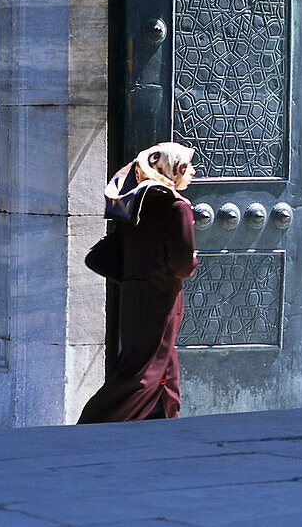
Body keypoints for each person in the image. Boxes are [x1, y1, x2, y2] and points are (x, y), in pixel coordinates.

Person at [78, 142, 198, 423]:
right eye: (187, 166)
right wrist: (192, 259)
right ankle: (93, 424)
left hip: (134, 294)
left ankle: (168, 418)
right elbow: (182, 266)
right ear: (173, 168)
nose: (192, 172)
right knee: (144, 372)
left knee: (161, 362)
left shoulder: (138, 200)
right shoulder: (176, 206)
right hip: (161, 299)